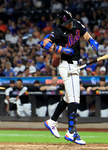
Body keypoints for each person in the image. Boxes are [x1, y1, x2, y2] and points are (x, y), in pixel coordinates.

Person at [40, 10, 99, 145]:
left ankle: (52, 121)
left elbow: (84, 33)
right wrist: (61, 49)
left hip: (75, 66)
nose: (67, 25)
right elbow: (44, 43)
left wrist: (91, 40)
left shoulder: (76, 23)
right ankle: (71, 132)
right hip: (67, 66)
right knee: (74, 99)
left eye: (68, 22)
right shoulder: (59, 30)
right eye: (65, 23)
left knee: (68, 98)